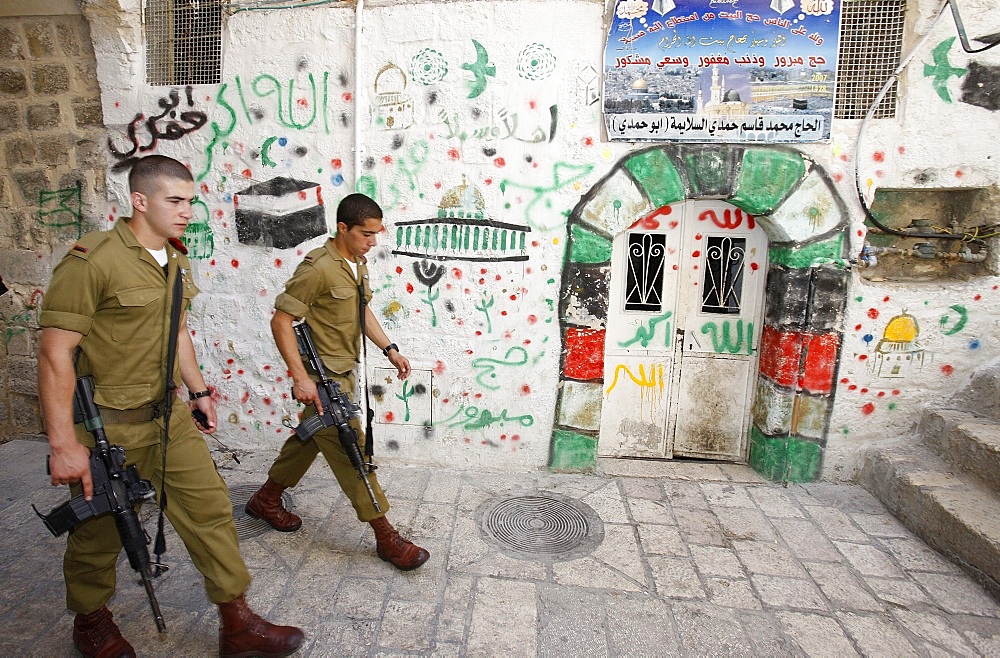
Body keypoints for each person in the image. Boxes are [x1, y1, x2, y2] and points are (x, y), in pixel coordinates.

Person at [37, 155, 304, 658]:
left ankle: (236, 620)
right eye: (175, 201)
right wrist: (62, 443)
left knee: (210, 511)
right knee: (101, 531)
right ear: (140, 201)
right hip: (106, 428)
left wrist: (199, 392)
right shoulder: (91, 261)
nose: (187, 211)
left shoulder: (174, 259)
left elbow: (178, 330)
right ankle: (91, 619)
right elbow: (55, 352)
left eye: (190, 201)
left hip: (168, 417)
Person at [245, 193, 429, 571]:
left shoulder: (356, 265)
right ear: (342, 228)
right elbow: (281, 320)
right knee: (352, 453)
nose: (373, 242)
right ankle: (386, 537)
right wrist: (301, 377)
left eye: (376, 234)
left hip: (344, 371)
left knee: (309, 438)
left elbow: (360, 309)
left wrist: (389, 349)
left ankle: (266, 499)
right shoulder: (318, 268)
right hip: (322, 379)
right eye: (366, 233)